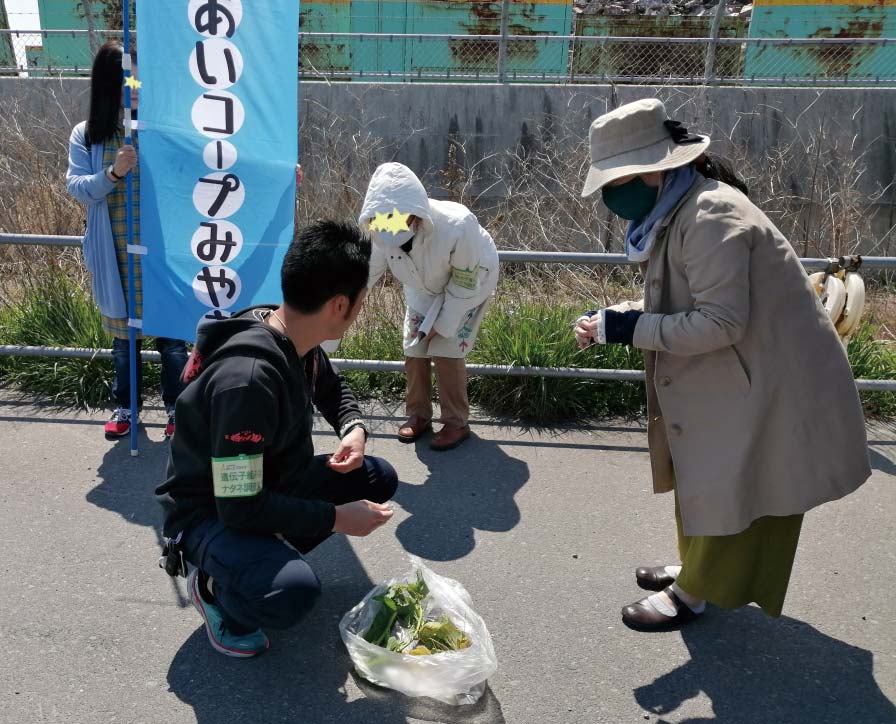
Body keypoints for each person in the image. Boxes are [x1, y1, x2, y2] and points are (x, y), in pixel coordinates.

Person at [575, 98, 871, 630]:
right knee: (703, 472)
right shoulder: (681, 206)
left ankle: (693, 592)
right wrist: (615, 318)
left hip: (765, 377)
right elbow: (689, 304)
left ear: (650, 171)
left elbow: (719, 323)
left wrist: (627, 328)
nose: (610, 196)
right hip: (741, 368)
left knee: (729, 479)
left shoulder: (710, 215)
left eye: (615, 182)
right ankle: (695, 570)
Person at [156, 220, 397, 658]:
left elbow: (332, 389)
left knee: (375, 476)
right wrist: (335, 519)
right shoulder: (248, 383)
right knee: (293, 592)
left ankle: (260, 554)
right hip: (208, 511)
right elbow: (239, 505)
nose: (362, 306)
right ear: (341, 304)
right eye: (362, 299)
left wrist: (354, 428)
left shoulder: (289, 329)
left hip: (266, 481)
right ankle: (216, 591)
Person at [66, 41, 188, 439]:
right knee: (124, 341)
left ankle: (178, 409)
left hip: (159, 251)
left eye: (138, 78)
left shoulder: (155, 128)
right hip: (114, 251)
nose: (135, 86)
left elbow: (197, 171)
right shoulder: (87, 135)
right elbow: (79, 187)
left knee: (171, 339)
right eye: (127, 78)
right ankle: (127, 408)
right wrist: (113, 173)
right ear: (108, 84)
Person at [360, 162, 499, 451]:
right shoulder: (378, 229)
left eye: (395, 218)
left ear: (415, 212)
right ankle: (418, 414)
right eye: (382, 218)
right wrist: (346, 304)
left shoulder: (457, 224)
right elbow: (367, 274)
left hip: (468, 284)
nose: (388, 224)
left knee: (446, 347)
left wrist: (443, 323)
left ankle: (456, 421)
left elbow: (464, 282)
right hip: (422, 287)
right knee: (414, 348)